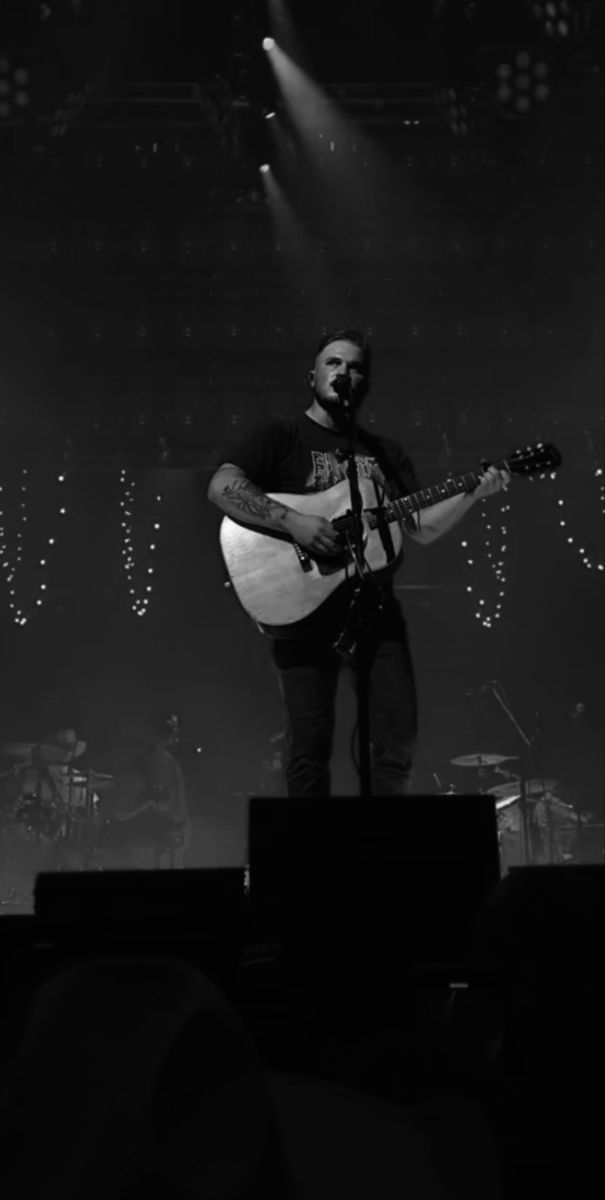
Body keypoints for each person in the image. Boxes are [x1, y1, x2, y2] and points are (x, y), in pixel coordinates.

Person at [208, 328, 510, 797]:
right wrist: (295, 523)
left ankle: (378, 853)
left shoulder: (385, 454)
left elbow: (419, 527)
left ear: (364, 382)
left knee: (397, 738)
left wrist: (472, 491)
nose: (343, 372)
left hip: (374, 607)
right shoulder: (281, 436)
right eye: (333, 363)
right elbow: (222, 485)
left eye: (354, 366)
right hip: (304, 608)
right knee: (309, 746)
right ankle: (312, 864)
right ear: (312, 376)